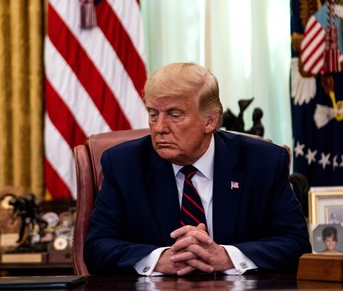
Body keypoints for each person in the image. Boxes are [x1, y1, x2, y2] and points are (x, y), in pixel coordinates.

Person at [84, 62, 311, 276]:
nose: (159, 127)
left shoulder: (263, 162)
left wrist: (226, 257)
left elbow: (296, 243)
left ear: (210, 121)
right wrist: (160, 259)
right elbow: (97, 247)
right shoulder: (124, 164)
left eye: (175, 115)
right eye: (153, 114)